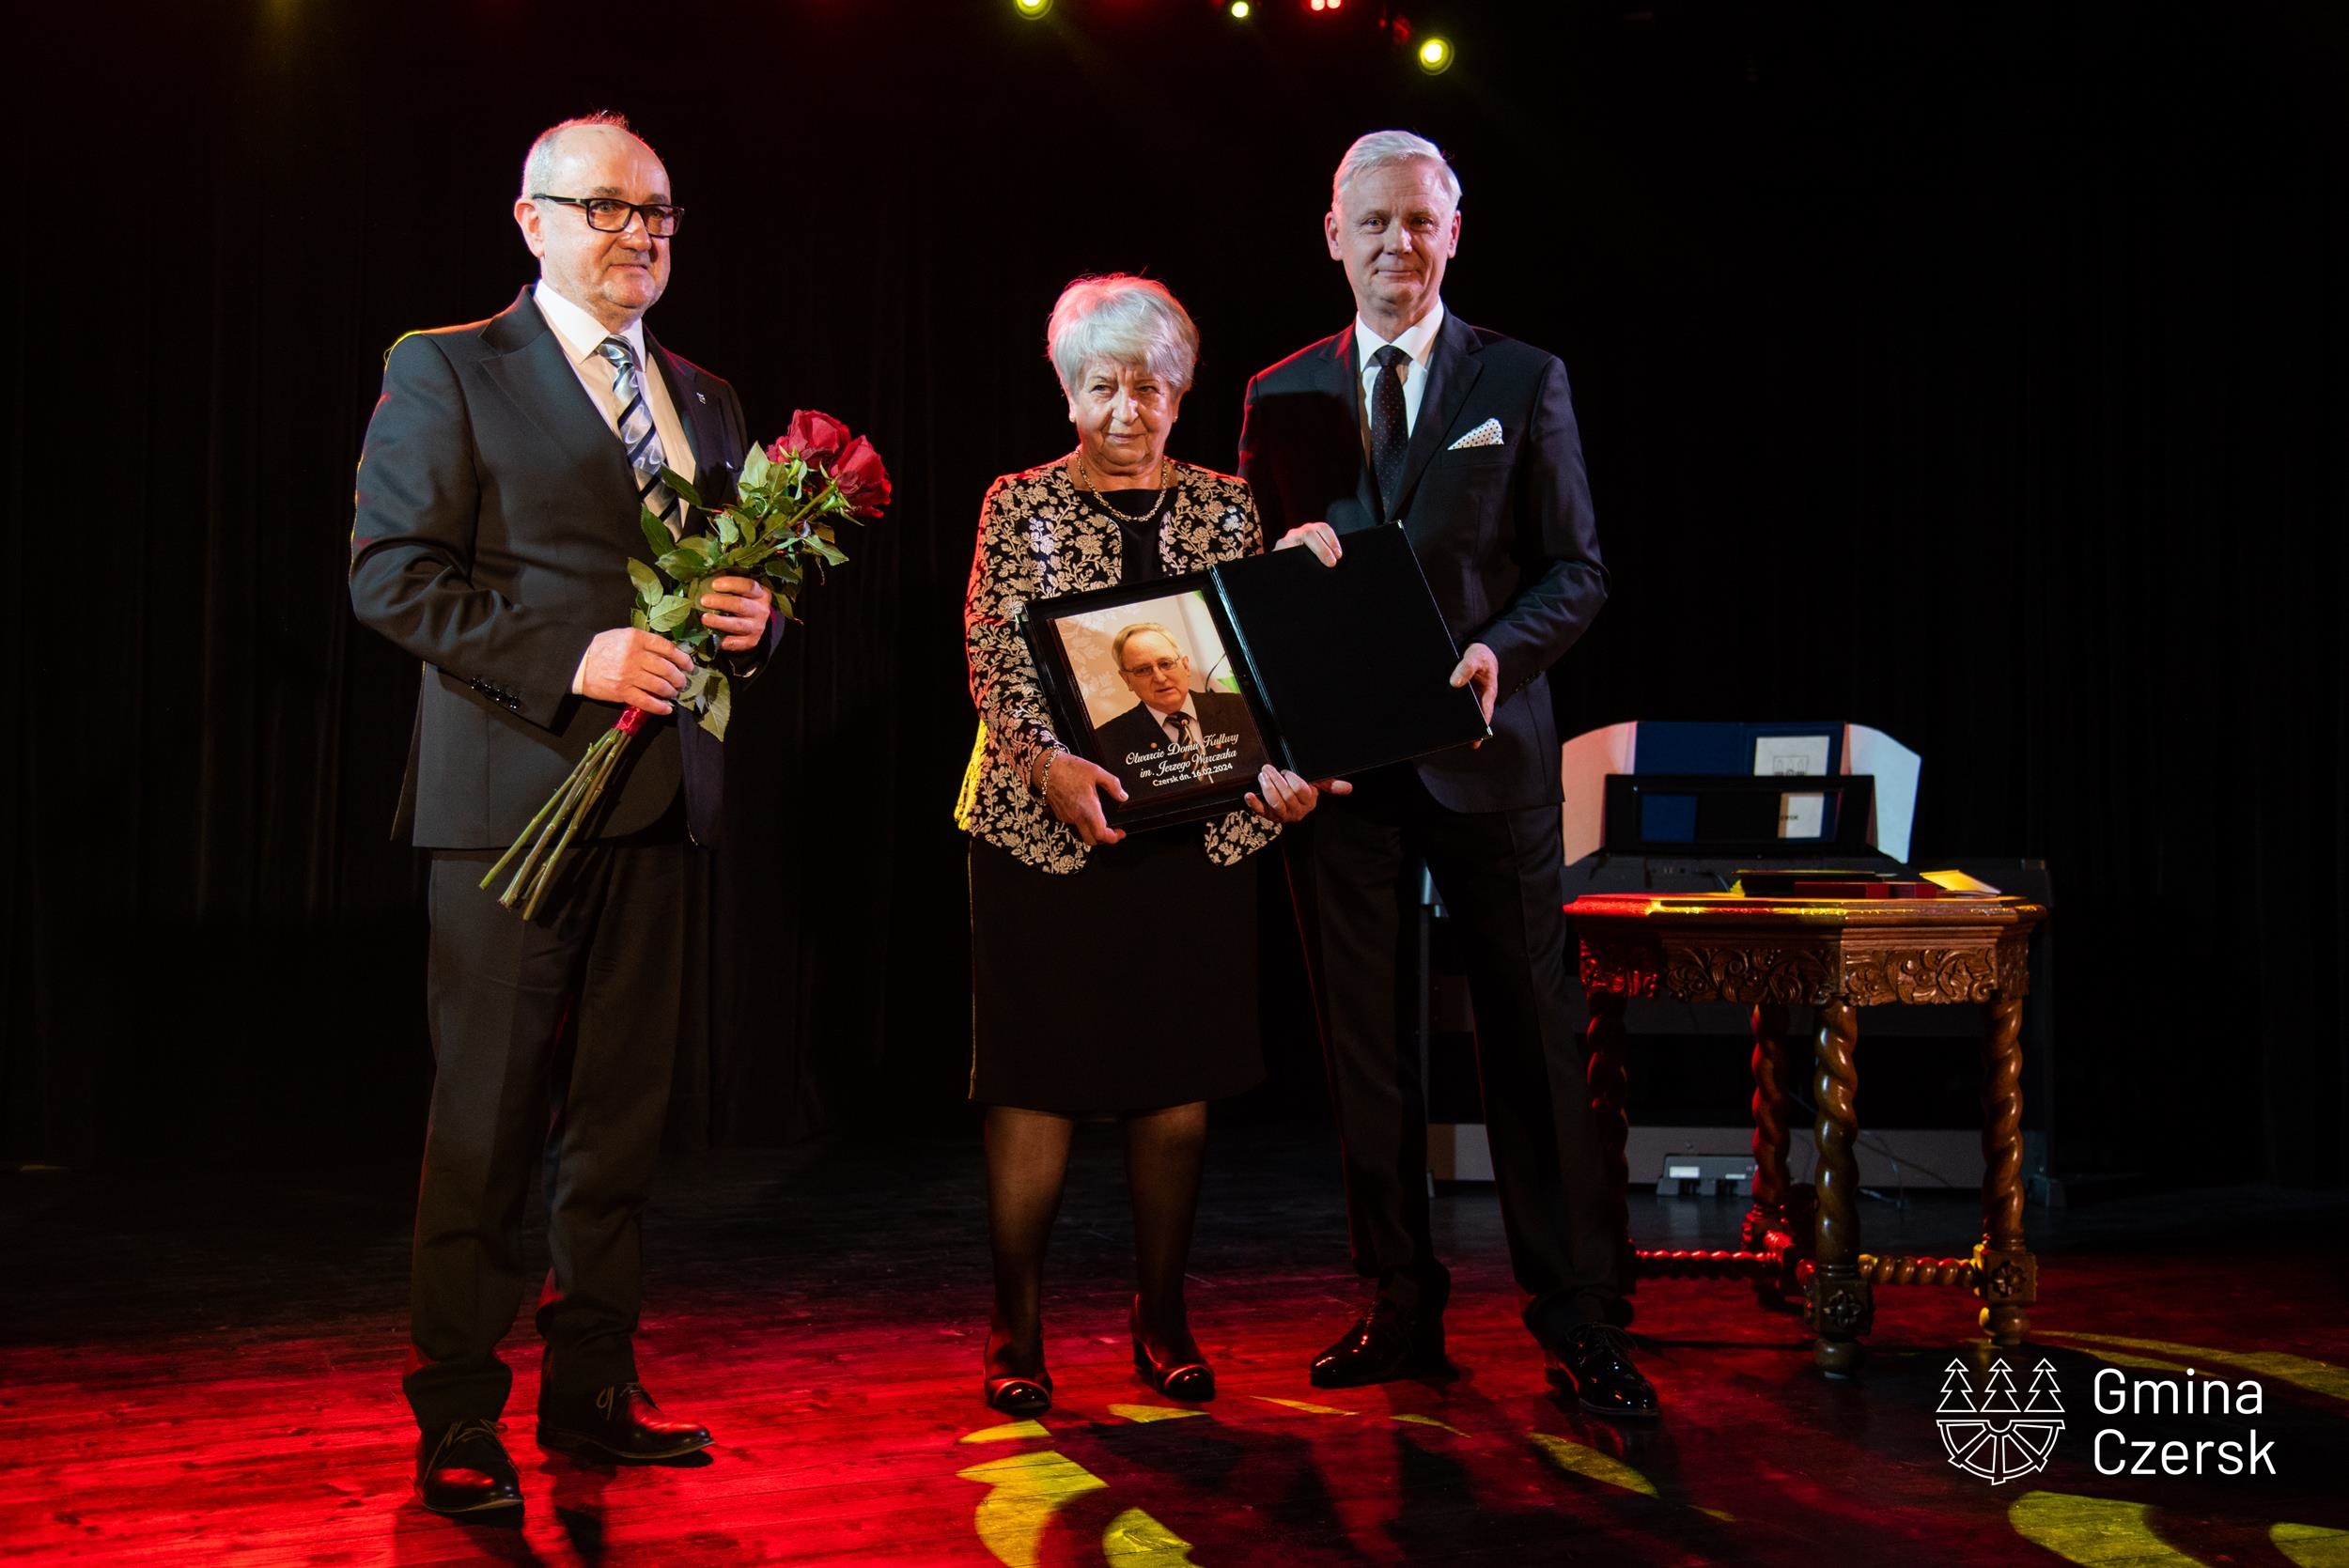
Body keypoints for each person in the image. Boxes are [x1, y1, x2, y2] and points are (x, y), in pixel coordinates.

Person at [349, 114, 782, 1514]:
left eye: (658, 214)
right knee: (484, 1120)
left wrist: (756, 622)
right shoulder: (448, 368)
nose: (638, 234)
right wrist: (573, 657)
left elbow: (722, 599)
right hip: (503, 808)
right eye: (606, 209)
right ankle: (460, 1412)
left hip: (657, 802)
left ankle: (592, 1387)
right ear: (530, 220)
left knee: (619, 1122)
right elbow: (393, 578)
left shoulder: (705, 397)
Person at [1237, 131, 1657, 1418]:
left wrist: (1495, 653)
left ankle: (1579, 1314)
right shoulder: (1282, 393)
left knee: (1532, 1044)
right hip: (1348, 778)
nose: (1394, 245)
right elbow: (1258, 585)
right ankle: (1400, 1306)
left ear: (1453, 231)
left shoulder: (1524, 379)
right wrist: (1279, 743)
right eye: (1371, 222)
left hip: (1491, 759)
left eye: (1418, 221)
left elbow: (1577, 570)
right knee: (1368, 1053)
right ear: (1331, 233)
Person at [956, 274, 1334, 1416]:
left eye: (1150, 386)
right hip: (1041, 837)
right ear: (1067, 389)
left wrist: (1281, 771)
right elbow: (990, 661)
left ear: (1181, 393)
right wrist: (1047, 765)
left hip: (1198, 839)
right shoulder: (1016, 502)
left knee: (1178, 1080)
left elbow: (1257, 679)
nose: (1125, 408)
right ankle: (1012, 1328)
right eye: (1100, 384)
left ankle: (1160, 1316)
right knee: (1036, 1084)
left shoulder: (1230, 507)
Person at [1091, 622, 1270, 800]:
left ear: (1185, 666)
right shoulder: (1106, 743)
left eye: (1166, 664)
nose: (1160, 677)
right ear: (1127, 680)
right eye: (1143, 670)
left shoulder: (1244, 710)